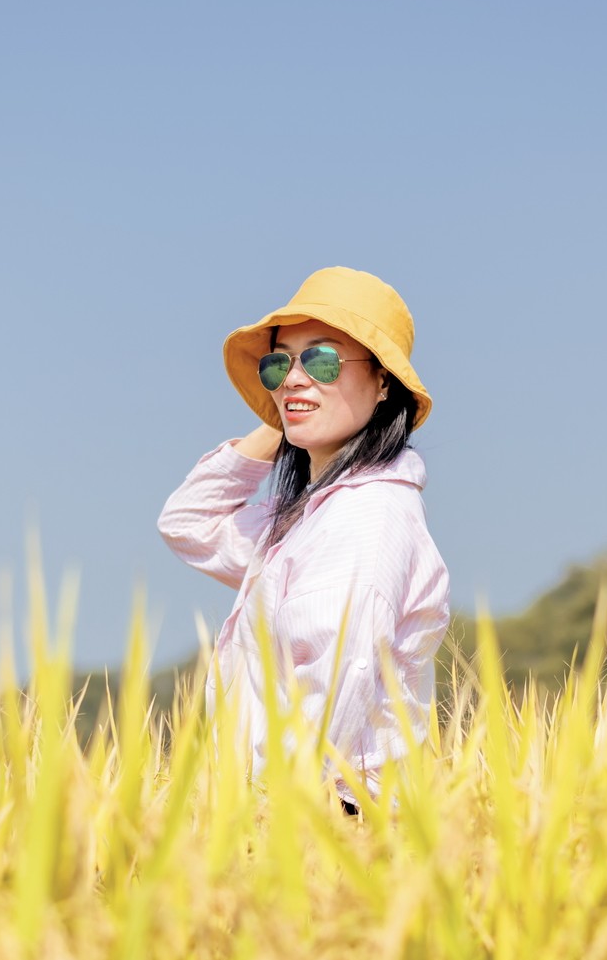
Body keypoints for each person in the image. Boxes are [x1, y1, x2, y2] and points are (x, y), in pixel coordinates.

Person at [157, 266, 449, 816]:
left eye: (322, 360)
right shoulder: (308, 514)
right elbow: (188, 522)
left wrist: (277, 816)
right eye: (279, 363)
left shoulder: (366, 516)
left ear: (383, 381)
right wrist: (288, 412)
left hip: (326, 815)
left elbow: (341, 675)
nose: (293, 377)